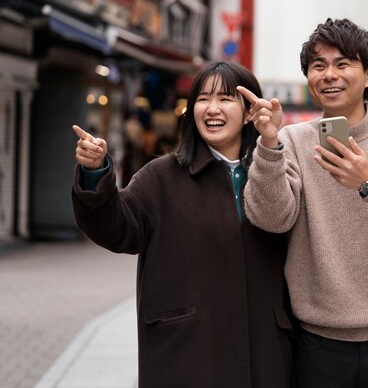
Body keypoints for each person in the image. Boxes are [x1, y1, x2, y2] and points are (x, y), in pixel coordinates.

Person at [239, 18, 368, 388]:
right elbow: (271, 219)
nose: (329, 74)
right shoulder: (294, 140)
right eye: (318, 66)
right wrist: (268, 145)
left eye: (342, 64)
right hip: (319, 343)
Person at [71, 62, 295, 388]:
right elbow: (116, 228)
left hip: (265, 350)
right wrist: (95, 174)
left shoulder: (273, 172)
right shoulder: (161, 177)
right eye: (203, 99)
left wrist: (271, 144)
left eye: (226, 98)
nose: (212, 108)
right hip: (187, 352)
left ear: (249, 112)